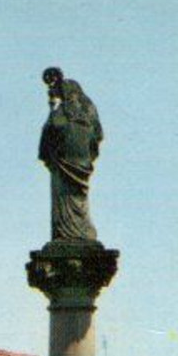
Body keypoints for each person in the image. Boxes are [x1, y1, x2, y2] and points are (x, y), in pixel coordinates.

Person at [38, 67, 104, 243]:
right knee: (77, 200)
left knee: (66, 199)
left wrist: (52, 110)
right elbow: (97, 138)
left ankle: (69, 232)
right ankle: (80, 230)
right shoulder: (87, 116)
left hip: (63, 164)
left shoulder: (63, 114)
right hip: (79, 163)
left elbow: (52, 130)